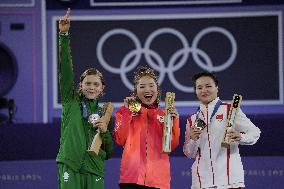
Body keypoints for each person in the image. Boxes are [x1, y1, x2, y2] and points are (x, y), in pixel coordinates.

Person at [56, 8, 114, 189]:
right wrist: (63, 36)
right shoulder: (70, 100)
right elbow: (65, 69)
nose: (91, 87)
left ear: (102, 88)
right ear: (80, 85)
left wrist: (104, 131)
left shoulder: (106, 111)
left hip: (94, 168)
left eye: (96, 84)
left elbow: (110, 151)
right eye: (87, 83)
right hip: (70, 164)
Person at [183, 72, 261, 189]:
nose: (204, 90)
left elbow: (255, 132)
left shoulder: (231, 110)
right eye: (199, 87)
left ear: (217, 88)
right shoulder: (193, 119)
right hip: (201, 183)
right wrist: (193, 140)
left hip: (229, 181)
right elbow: (190, 153)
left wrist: (241, 137)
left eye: (208, 86)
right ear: (196, 91)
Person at [114, 66, 180, 189]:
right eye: (142, 87)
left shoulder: (164, 115)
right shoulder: (124, 111)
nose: (147, 90)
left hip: (159, 180)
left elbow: (171, 145)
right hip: (132, 179)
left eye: (151, 85)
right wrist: (129, 112)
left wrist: (174, 120)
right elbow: (120, 139)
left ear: (157, 89)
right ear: (136, 91)